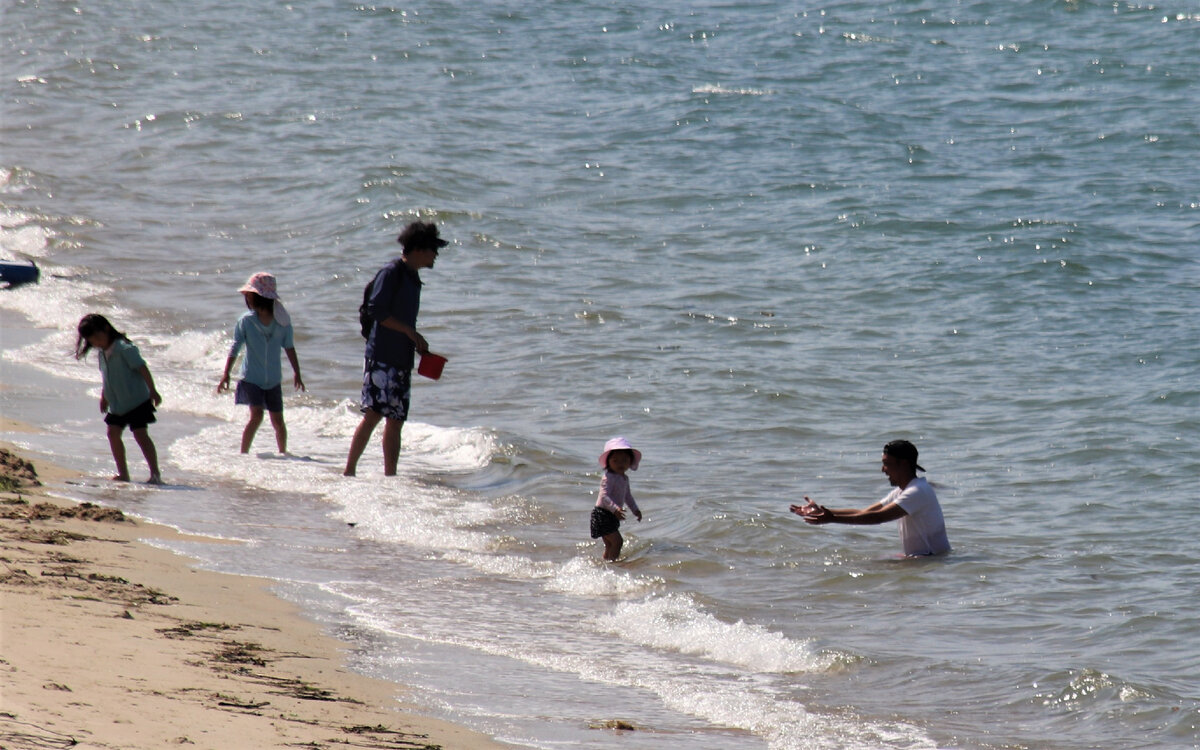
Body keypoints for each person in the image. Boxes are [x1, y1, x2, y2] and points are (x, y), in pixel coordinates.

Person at [344, 220, 448, 477]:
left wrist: (415, 342)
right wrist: (410, 332)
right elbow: (376, 310)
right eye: (433, 249)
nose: (436, 254)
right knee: (374, 415)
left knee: (396, 421)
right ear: (419, 249)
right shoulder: (392, 272)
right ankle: (349, 472)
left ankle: (390, 477)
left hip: (401, 359)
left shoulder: (413, 279)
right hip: (381, 356)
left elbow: (400, 319)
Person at [790, 439, 949, 557]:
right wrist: (822, 511)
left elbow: (878, 517)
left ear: (904, 464)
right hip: (924, 560)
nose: (883, 470)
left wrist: (832, 519)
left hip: (931, 561)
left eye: (886, 464)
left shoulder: (917, 491)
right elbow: (864, 511)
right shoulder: (903, 491)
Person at [216, 272, 305, 454]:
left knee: (278, 421)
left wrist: (297, 372)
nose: (246, 298)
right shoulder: (246, 321)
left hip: (273, 380)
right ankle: (243, 453)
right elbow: (235, 347)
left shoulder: (282, 323)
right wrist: (226, 374)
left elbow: (289, 347)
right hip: (251, 378)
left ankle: (283, 454)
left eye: (248, 295)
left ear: (257, 297)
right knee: (256, 416)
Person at [75, 314, 163, 484]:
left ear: (107, 329)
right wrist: (104, 396)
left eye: (98, 338)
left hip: (137, 400)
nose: (97, 343)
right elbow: (107, 377)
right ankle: (123, 474)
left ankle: (155, 473)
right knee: (112, 433)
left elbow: (142, 368)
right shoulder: (102, 354)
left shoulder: (124, 348)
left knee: (140, 434)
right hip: (117, 404)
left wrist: (153, 390)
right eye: (92, 341)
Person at [590, 437, 644, 561]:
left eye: (624, 460)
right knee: (617, 542)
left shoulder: (624, 479)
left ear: (630, 462)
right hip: (602, 514)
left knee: (610, 545)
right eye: (616, 460)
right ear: (608, 462)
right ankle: (613, 565)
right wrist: (615, 509)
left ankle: (606, 564)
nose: (620, 463)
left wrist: (635, 510)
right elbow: (604, 496)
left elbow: (627, 496)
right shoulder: (608, 477)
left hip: (612, 515)